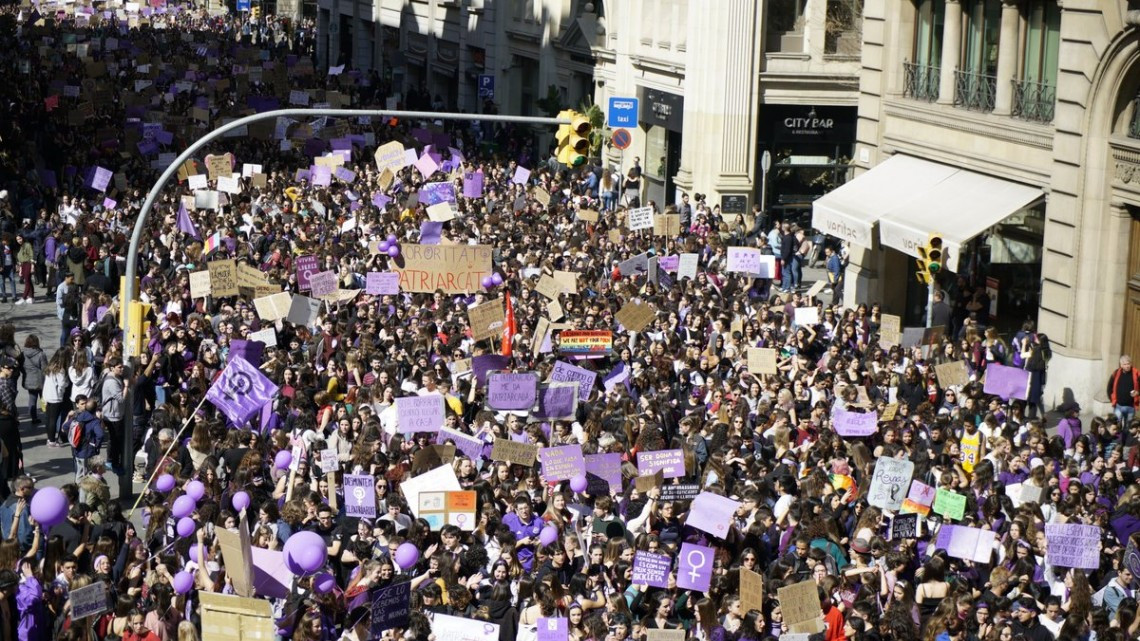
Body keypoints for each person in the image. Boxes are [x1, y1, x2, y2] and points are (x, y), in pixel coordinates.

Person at [67, 395, 104, 483]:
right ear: (95, 409)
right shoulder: (94, 421)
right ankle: (83, 495)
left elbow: (65, 427)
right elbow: (100, 435)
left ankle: (77, 493)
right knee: (87, 475)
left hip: (77, 450)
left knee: (79, 474)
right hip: (88, 451)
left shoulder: (77, 417)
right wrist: (96, 445)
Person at [1107, 355, 1139, 427]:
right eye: (1125, 364)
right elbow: (1109, 387)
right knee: (1116, 426)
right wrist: (1112, 399)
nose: (1127, 366)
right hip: (1118, 406)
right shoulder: (1116, 373)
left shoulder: (1136, 373)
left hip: (1131, 407)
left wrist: (1138, 393)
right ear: (1121, 365)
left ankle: (1126, 438)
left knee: (1129, 427)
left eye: (1128, 364)